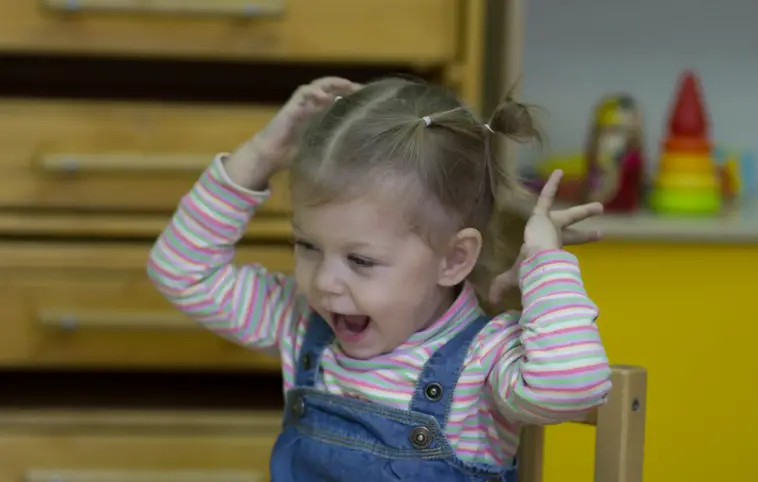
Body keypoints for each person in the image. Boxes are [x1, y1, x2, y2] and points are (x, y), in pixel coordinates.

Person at [147, 76, 612, 481]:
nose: (326, 282)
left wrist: (543, 262)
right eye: (308, 247)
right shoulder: (302, 323)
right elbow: (180, 270)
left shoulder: (485, 361)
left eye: (361, 261)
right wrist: (261, 156)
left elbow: (572, 388)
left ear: (452, 259)